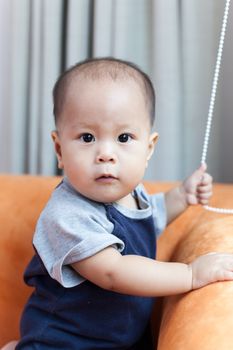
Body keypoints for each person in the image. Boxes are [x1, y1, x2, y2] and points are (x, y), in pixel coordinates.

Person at [12, 57, 233, 349]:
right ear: (60, 149)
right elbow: (113, 272)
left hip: (116, 336)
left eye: (124, 137)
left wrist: (182, 196)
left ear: (148, 148)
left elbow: (152, 215)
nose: (106, 153)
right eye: (87, 137)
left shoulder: (132, 194)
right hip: (66, 340)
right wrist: (191, 274)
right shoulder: (66, 215)